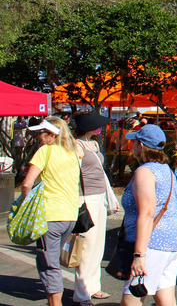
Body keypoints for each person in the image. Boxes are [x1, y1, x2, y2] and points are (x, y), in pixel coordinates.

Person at [121, 124, 177, 306]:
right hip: (173, 238)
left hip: (153, 241)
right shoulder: (167, 170)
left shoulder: (145, 171)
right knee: (165, 296)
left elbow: (148, 213)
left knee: (131, 299)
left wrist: (139, 255)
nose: (132, 146)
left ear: (141, 145)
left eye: (134, 142)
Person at [21, 117, 79, 306]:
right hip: (69, 216)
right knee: (50, 261)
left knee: (49, 265)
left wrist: (25, 204)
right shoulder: (72, 153)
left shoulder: (45, 151)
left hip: (50, 216)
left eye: (41, 133)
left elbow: (27, 183)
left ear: (52, 135)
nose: (38, 137)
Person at [71, 110, 114, 304]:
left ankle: (94, 286)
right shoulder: (75, 145)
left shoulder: (94, 144)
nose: (100, 127)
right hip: (85, 198)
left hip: (99, 197)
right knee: (86, 247)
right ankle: (82, 293)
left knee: (98, 245)